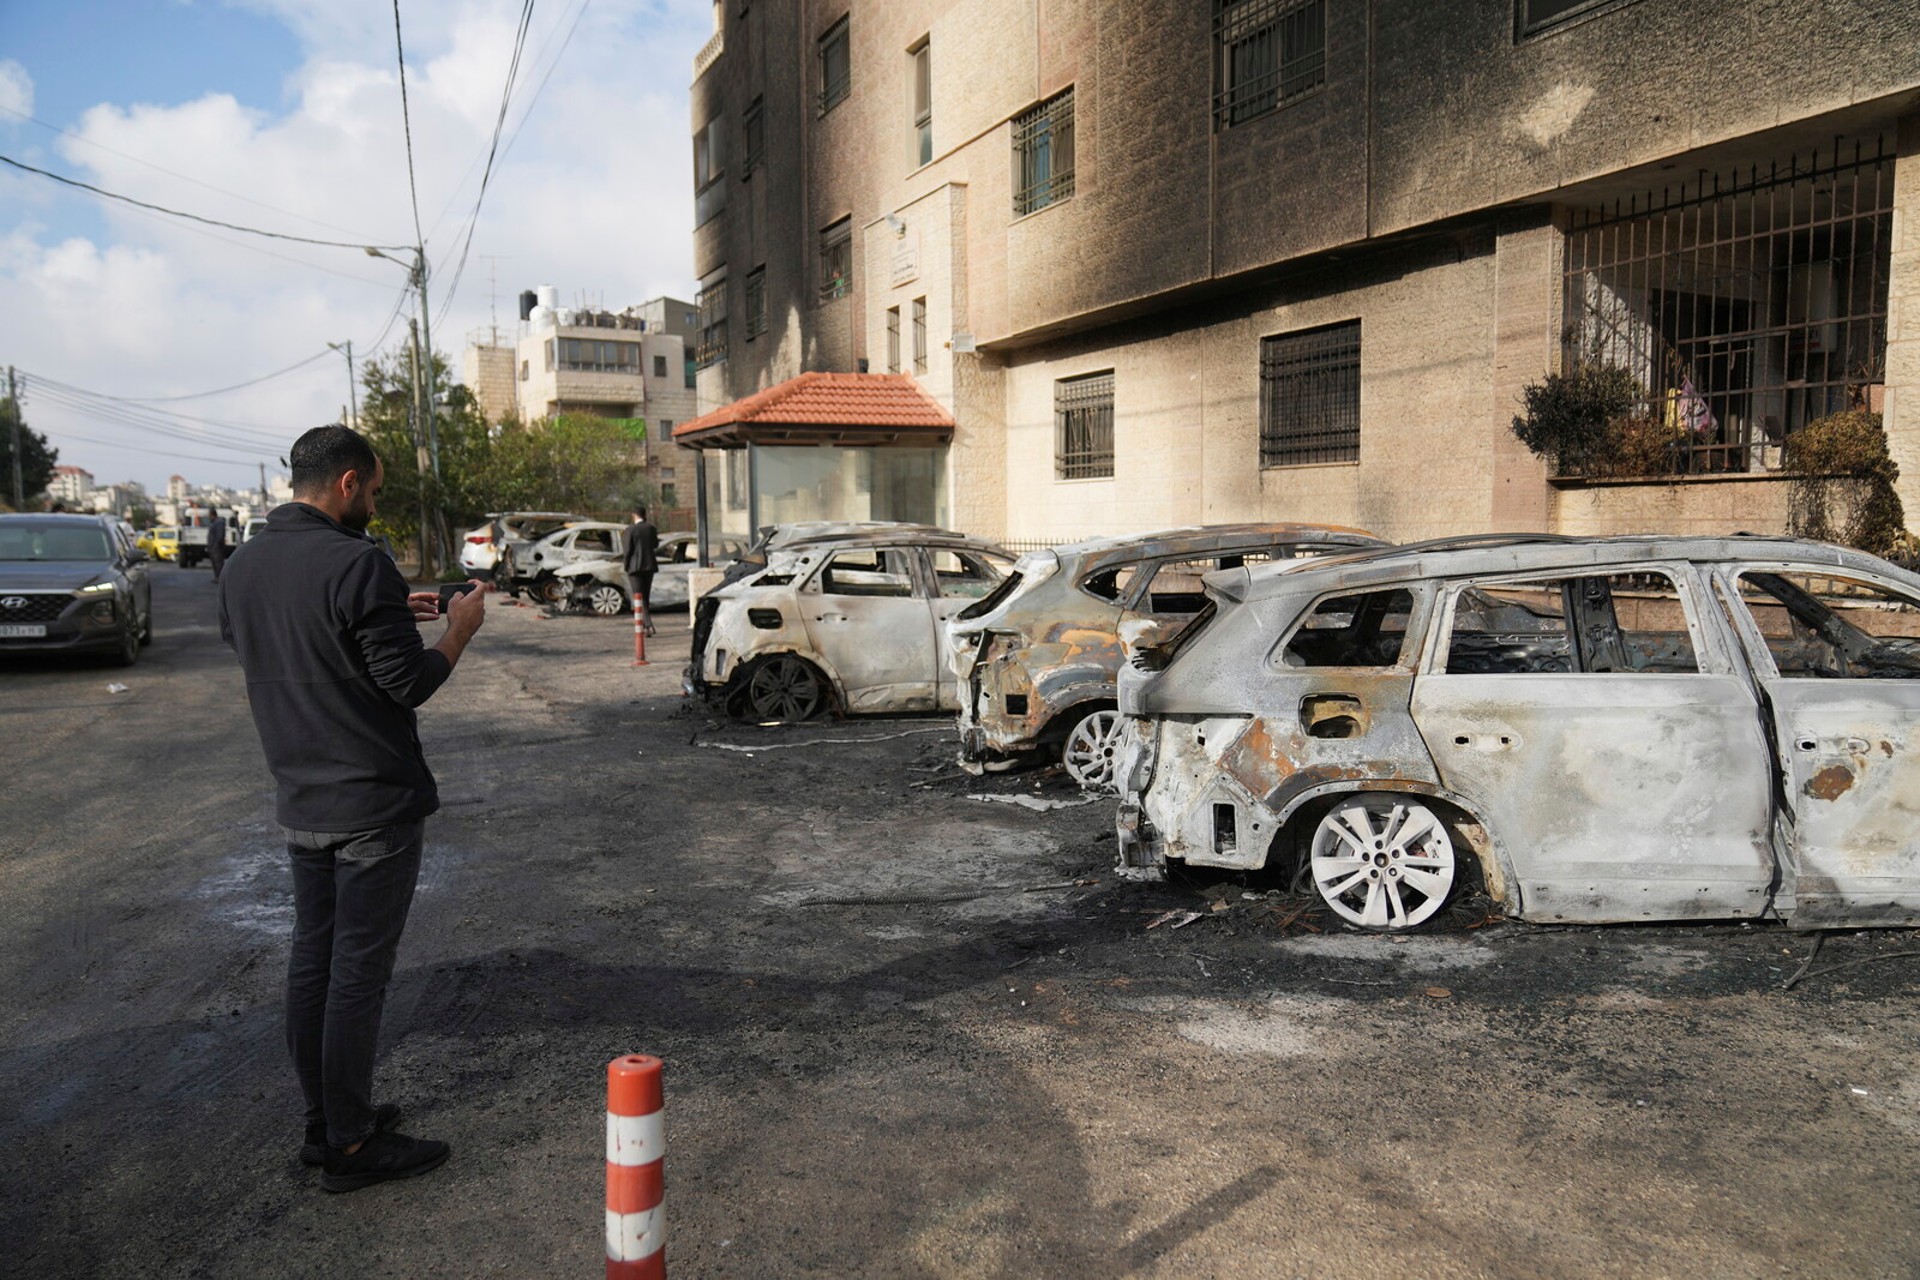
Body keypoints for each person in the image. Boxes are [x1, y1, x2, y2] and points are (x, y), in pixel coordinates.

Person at [218, 424, 487, 1193]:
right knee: (357, 977)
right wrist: (456, 631)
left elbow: (287, 642)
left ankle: (326, 1123)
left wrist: (392, 610)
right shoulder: (356, 562)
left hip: (299, 793)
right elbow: (408, 684)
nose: (374, 501)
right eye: (371, 489)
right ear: (345, 482)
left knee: (314, 962)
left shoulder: (242, 565)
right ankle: (350, 1147)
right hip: (370, 798)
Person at [622, 504, 660, 635]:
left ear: (633, 515)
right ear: (645, 515)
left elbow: (627, 550)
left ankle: (648, 625)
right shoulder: (651, 528)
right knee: (645, 597)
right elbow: (655, 544)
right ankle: (646, 625)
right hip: (649, 566)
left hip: (635, 568)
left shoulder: (630, 530)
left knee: (638, 597)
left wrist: (625, 565)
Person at [206, 510, 229, 580]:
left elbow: (220, 536)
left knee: (218, 563)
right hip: (213, 547)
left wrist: (216, 545)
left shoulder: (219, 522)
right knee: (215, 563)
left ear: (213, 515)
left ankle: (221, 578)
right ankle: (217, 577)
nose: (208, 517)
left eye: (209, 515)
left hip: (217, 548)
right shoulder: (213, 523)